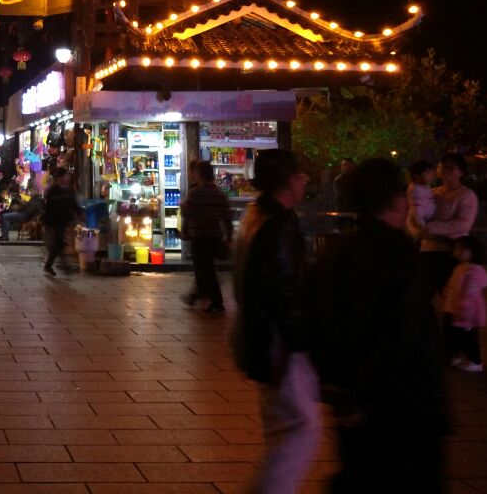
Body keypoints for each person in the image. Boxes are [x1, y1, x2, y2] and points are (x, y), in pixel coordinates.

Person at [314, 157, 448, 493]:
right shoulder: (402, 258)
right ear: (395, 200)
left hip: (354, 407)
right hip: (405, 409)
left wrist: (342, 392)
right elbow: (401, 337)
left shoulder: (337, 254)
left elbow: (319, 325)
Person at [231, 148, 321, 494]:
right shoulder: (278, 226)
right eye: (300, 176)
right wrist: (299, 343)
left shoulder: (257, 215)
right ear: (288, 181)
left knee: (287, 428)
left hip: (261, 341)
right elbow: (283, 295)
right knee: (302, 428)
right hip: (278, 345)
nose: (303, 181)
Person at [420, 152, 479, 300]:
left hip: (450, 253)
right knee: (422, 299)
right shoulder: (432, 193)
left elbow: (462, 225)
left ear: (461, 172)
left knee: (450, 299)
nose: (445, 170)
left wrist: (431, 228)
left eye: (450, 167)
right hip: (426, 250)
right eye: (442, 167)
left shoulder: (466, 195)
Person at [180, 160, 233, 314]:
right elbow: (226, 218)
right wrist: (228, 237)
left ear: (199, 174)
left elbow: (188, 214)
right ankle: (201, 297)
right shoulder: (219, 194)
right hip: (214, 235)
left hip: (199, 235)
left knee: (204, 269)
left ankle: (216, 302)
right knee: (206, 268)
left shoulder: (195, 193)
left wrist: (185, 230)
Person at [442, 235, 487, 373]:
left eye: (462, 248)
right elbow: (452, 289)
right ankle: (456, 356)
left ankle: (475, 360)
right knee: (454, 336)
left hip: (467, 314)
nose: (458, 251)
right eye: (457, 248)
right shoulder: (460, 268)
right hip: (454, 309)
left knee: (469, 339)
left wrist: (464, 314)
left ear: (473, 251)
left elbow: (469, 296)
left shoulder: (473, 271)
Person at [42, 165, 81, 276]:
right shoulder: (53, 190)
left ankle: (50, 265)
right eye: (65, 176)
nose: (67, 178)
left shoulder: (68, 191)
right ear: (59, 178)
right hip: (53, 221)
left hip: (63, 221)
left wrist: (79, 214)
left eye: (67, 176)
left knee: (58, 244)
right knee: (58, 243)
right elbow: (49, 208)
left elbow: (73, 204)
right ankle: (65, 267)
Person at [405, 159, 437, 242]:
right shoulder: (415, 189)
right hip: (422, 221)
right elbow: (416, 209)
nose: (431, 176)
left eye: (431, 173)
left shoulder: (423, 187)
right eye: (427, 174)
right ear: (416, 175)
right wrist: (421, 225)